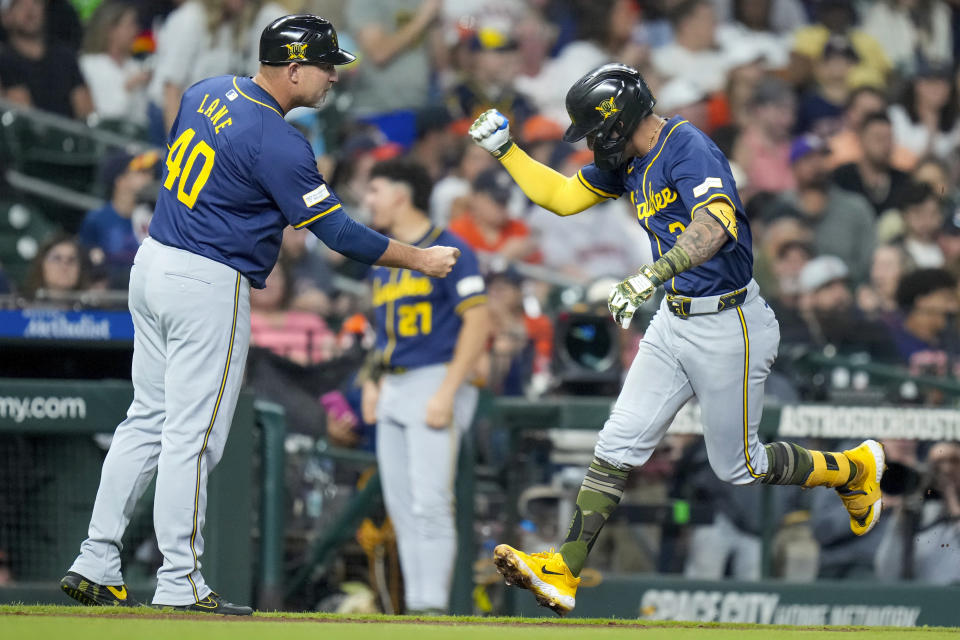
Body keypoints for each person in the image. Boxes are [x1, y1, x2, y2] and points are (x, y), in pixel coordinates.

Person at [61, 15, 460, 615]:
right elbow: (339, 234)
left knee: (145, 420)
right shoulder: (278, 138)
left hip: (154, 262)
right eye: (326, 66)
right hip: (205, 280)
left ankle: (96, 557)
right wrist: (420, 258)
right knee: (191, 439)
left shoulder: (204, 90)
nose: (332, 78)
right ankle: (179, 581)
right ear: (293, 68)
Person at [469, 62, 886, 616]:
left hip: (729, 321)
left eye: (595, 130)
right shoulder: (630, 160)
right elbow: (565, 198)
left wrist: (648, 276)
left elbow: (716, 227)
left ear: (617, 122)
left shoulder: (688, 146)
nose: (593, 142)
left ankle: (852, 469)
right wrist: (507, 151)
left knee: (738, 466)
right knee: (618, 439)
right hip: (676, 317)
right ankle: (565, 568)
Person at [360, 159, 490, 614]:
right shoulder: (384, 256)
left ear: (401, 193)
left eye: (375, 189)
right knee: (402, 507)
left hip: (436, 377)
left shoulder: (450, 247)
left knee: (431, 502)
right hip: (395, 382)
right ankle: (417, 609)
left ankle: (430, 610)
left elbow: (479, 319)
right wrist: (373, 381)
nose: (368, 200)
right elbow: (382, 332)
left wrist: (448, 392)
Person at [78, 150, 161, 289]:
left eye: (149, 172)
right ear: (120, 180)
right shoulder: (96, 220)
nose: (150, 177)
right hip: (110, 300)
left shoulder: (152, 217)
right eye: (141, 172)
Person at [0, 0, 93, 119]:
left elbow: (87, 114)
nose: (30, 10)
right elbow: (22, 117)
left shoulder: (65, 58)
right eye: (19, 4)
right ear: (5, 16)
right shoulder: (5, 61)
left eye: (36, 2)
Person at [832, 111, 910, 217]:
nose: (885, 145)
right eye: (878, 138)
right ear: (861, 139)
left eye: (889, 139)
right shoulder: (841, 177)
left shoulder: (903, 181)